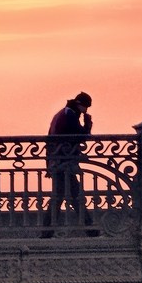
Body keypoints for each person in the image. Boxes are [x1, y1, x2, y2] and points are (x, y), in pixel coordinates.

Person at [42, 91, 96, 235]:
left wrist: (49, 163)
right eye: (85, 107)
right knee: (71, 196)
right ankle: (90, 229)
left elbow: (50, 139)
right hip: (64, 163)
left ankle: (47, 232)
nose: (86, 110)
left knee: (61, 197)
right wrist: (88, 124)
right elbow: (81, 136)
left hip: (57, 161)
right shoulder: (70, 115)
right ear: (79, 104)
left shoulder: (62, 114)